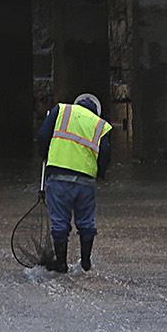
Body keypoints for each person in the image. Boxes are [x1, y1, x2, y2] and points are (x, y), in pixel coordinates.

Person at [35, 92, 114, 273]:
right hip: (86, 181)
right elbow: (105, 154)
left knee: (60, 223)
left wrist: (43, 155)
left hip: (59, 177)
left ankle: (61, 264)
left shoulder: (61, 111)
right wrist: (100, 174)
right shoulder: (101, 125)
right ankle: (85, 264)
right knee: (86, 222)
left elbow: (42, 136)